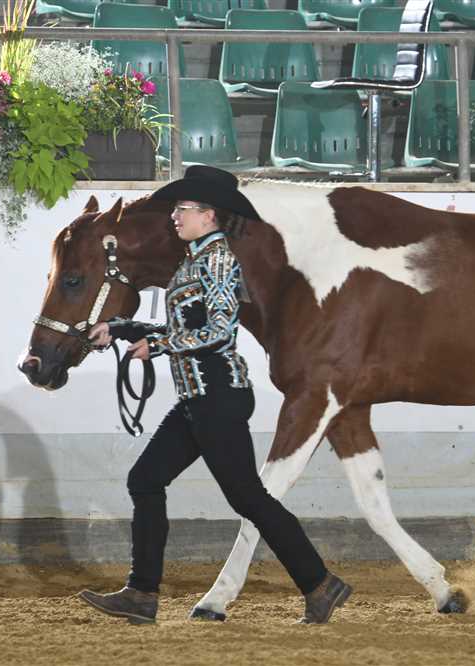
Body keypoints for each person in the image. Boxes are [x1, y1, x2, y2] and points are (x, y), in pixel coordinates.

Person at [78, 166, 351, 625]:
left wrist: (159, 346)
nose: (175, 216)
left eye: (183, 209)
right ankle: (141, 594)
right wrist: (120, 329)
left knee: (247, 497)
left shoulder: (219, 260)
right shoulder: (194, 260)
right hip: (199, 398)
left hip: (217, 397)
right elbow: (186, 326)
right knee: (146, 480)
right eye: (176, 209)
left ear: (209, 215)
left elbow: (219, 330)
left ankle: (320, 584)